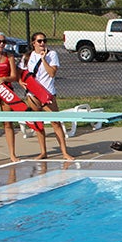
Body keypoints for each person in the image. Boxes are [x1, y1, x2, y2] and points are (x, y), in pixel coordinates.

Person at [19, 32, 74, 161]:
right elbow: (21, 74)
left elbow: (52, 73)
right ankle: (43, 151)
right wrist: (23, 84)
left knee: (56, 122)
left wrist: (43, 59)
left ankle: (64, 152)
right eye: (39, 41)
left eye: (44, 40)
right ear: (33, 43)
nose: (42, 43)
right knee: (38, 123)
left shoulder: (52, 55)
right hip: (33, 95)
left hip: (47, 94)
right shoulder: (28, 57)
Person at [0, 32, 19, 162]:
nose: (1, 44)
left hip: (7, 91)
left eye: (3, 42)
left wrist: (3, 79)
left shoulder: (9, 56)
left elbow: (14, 76)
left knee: (8, 123)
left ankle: (12, 154)